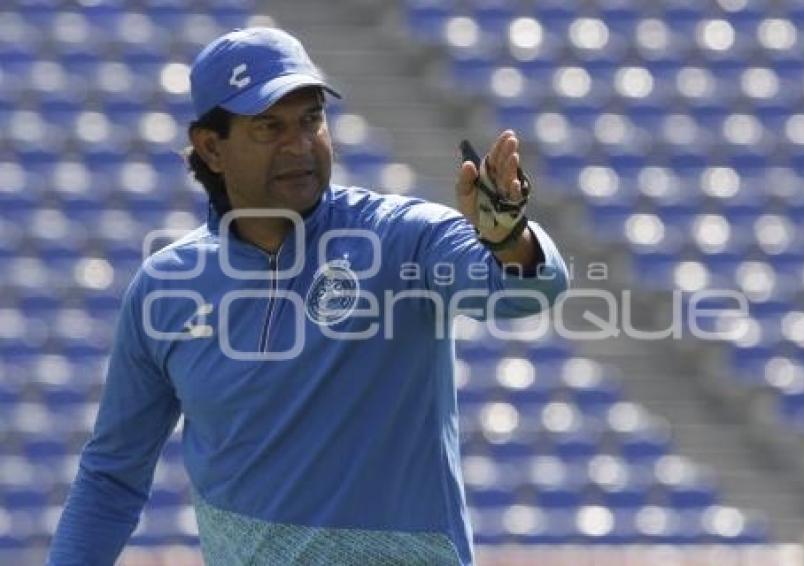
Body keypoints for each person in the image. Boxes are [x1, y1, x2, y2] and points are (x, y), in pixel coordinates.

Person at [47, 27, 569, 565]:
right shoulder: (165, 287)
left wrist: (507, 236)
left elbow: (524, 294)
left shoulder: (400, 235)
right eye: (269, 127)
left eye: (311, 119)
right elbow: (111, 479)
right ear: (211, 148)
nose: (299, 145)